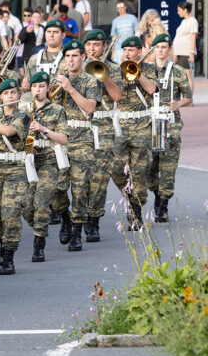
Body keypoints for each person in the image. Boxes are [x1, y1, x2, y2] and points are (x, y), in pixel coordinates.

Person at [52, 39, 100, 252]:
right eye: (67, 56)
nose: (70, 60)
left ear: (83, 57)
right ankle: (64, 217)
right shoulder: (58, 79)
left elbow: (90, 108)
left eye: (74, 56)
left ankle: (77, 232)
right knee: (56, 188)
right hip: (58, 139)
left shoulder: (91, 81)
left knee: (80, 189)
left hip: (82, 140)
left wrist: (70, 88)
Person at [0, 77, 31, 275]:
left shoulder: (23, 115)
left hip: (16, 169)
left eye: (13, 93)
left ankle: (9, 253)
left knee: (10, 213)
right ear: (0, 96)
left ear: (18, 94)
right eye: (6, 93)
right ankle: (3, 240)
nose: (10, 96)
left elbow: (9, 132)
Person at [112, 36, 159, 230]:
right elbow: (116, 95)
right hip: (121, 124)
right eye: (125, 51)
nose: (127, 54)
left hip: (142, 124)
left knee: (139, 171)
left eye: (131, 51)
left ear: (139, 51)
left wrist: (136, 71)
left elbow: (152, 88)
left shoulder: (149, 68)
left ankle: (136, 210)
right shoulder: (116, 69)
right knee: (115, 167)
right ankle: (129, 197)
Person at [21, 72, 68, 262]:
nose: (38, 90)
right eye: (34, 87)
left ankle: (39, 244)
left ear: (48, 88)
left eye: (41, 86)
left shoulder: (57, 110)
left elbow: (64, 139)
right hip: (29, 161)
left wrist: (44, 130)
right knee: (25, 205)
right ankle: (41, 226)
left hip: (49, 160)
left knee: (41, 203)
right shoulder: (23, 109)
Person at [147, 33, 193, 222]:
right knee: (149, 166)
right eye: (157, 47)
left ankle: (163, 205)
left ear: (170, 49)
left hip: (169, 123)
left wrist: (179, 104)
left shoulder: (178, 71)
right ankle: (156, 193)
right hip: (150, 123)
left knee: (167, 167)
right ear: (153, 49)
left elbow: (189, 97)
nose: (160, 50)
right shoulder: (145, 70)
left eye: (164, 47)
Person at [82, 29, 123, 241]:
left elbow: (118, 96)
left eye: (96, 45)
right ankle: (74, 216)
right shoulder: (76, 67)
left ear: (104, 47)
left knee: (99, 176)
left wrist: (103, 75)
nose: (92, 49)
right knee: (79, 177)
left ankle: (93, 220)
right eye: (88, 45)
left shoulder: (113, 69)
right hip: (79, 126)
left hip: (103, 125)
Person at [173, 1, 198, 85]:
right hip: (179, 52)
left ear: (185, 10)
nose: (178, 12)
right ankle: (183, 95)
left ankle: (189, 97)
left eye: (179, 10)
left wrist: (191, 53)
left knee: (187, 75)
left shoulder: (192, 21)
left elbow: (193, 37)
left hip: (185, 52)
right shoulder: (183, 22)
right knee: (179, 76)